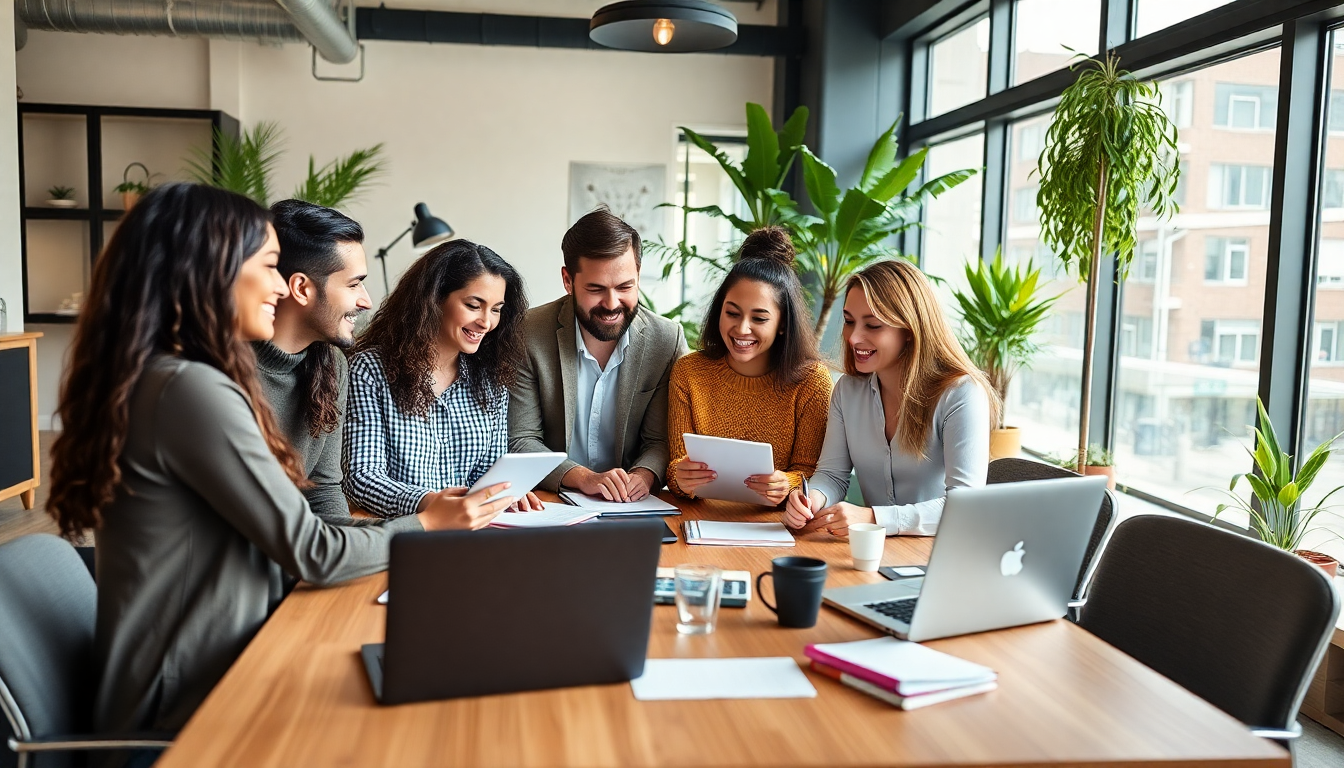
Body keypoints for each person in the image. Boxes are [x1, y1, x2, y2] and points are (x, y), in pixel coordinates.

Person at [44, 184, 515, 756]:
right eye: (268, 266)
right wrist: (427, 525)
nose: (279, 283)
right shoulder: (189, 389)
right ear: (209, 273)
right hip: (185, 710)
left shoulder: (224, 378)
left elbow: (325, 520)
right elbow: (312, 549)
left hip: (247, 651)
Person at [784, 258, 999, 537]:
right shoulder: (847, 392)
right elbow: (833, 476)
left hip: (943, 554)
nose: (853, 338)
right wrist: (810, 500)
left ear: (910, 331)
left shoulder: (961, 395)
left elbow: (965, 507)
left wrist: (874, 517)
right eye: (849, 322)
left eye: (872, 325)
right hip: (876, 553)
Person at [343, 240, 543, 517]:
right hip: (404, 533)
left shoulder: (491, 380)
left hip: (473, 535)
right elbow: (363, 478)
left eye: (496, 309)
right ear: (435, 299)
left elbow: (489, 472)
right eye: (474, 305)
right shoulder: (370, 371)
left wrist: (504, 492)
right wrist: (430, 503)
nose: (486, 322)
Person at [508, 208, 689, 501]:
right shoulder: (528, 333)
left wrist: (644, 475)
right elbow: (521, 439)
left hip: (632, 504)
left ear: (638, 276)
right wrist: (584, 478)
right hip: (551, 500)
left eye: (625, 287)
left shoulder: (666, 341)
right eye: (596, 288)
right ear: (568, 280)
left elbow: (660, 440)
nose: (612, 303)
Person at [666, 227, 832, 506]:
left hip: (776, 526)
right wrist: (680, 477)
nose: (742, 329)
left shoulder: (812, 382)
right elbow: (675, 469)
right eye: (732, 313)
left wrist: (789, 484)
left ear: (782, 324)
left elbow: (814, 474)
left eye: (759, 318)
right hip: (701, 521)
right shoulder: (689, 373)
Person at [254, 199, 375, 527]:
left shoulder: (332, 364)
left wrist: (348, 550)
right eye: (353, 284)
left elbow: (322, 489)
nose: (366, 300)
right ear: (301, 288)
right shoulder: (219, 371)